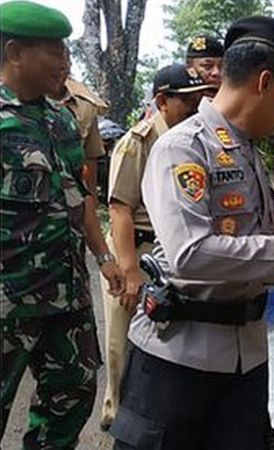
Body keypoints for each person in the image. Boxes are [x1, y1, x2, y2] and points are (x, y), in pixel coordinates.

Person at [109, 16, 274, 450]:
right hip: (178, 358)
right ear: (264, 82)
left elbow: (248, 226)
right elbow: (191, 253)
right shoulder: (185, 148)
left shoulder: (246, 148)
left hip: (246, 356)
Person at [0, 2, 125, 448]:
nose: (65, 60)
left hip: (67, 296)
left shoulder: (62, 120)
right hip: (9, 302)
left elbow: (80, 196)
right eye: (54, 50)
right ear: (15, 53)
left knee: (72, 398)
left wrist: (104, 257)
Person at [99, 64, 216, 430]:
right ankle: (116, 413)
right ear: (163, 101)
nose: (196, 107)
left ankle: (154, 414)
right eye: (187, 101)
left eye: (199, 99)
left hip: (171, 254)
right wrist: (130, 271)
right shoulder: (139, 140)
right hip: (135, 248)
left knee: (163, 337)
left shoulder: (195, 140)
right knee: (121, 340)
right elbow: (119, 207)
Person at [51, 46, 109, 200]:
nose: (61, 66)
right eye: (54, 59)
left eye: (65, 61)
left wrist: (91, 201)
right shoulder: (16, 104)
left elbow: (91, 157)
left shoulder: (85, 106)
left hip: (71, 199)